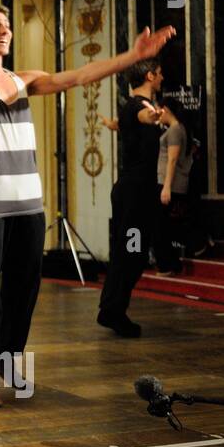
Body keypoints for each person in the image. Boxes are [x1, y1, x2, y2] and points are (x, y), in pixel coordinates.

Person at [0, 4, 174, 407]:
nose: (2, 31)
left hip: (28, 206)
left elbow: (78, 76)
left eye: (6, 25)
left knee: (23, 288)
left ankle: (5, 361)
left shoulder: (24, 81)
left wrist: (133, 57)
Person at [95, 57, 169, 339]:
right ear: (150, 76)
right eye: (160, 73)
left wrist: (112, 124)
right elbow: (142, 117)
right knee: (132, 253)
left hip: (133, 191)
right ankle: (112, 311)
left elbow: (124, 124)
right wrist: (153, 117)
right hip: (135, 193)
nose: (162, 78)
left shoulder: (130, 108)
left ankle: (111, 308)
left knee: (131, 253)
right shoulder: (140, 108)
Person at [154, 99, 209, 271]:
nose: (156, 114)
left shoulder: (176, 130)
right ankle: (173, 260)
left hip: (169, 184)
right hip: (169, 183)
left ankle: (168, 264)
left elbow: (172, 159)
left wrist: (167, 187)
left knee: (163, 226)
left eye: (158, 110)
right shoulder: (177, 129)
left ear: (166, 110)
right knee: (168, 225)